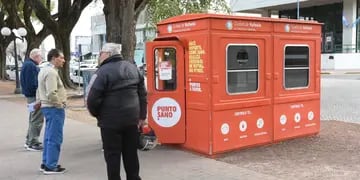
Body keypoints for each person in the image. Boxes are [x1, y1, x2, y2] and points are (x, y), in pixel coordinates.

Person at [87, 43, 147, 180]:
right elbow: (142, 94)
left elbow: (92, 98)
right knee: (131, 154)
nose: (99, 56)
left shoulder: (102, 72)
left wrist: (97, 114)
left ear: (107, 54)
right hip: (132, 120)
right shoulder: (133, 68)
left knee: (112, 155)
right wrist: (142, 116)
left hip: (110, 122)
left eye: (101, 52)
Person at [37, 49, 67, 174]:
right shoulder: (51, 73)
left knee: (49, 137)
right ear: (54, 58)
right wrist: (59, 104)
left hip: (48, 107)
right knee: (55, 137)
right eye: (61, 58)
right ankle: (51, 165)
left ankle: (46, 162)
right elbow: (51, 92)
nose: (63, 61)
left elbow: (40, 90)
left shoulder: (44, 70)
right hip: (54, 108)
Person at [20, 48, 44, 151]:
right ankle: (33, 142)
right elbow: (33, 82)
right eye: (40, 56)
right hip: (34, 96)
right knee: (36, 119)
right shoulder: (31, 66)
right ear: (36, 57)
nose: (41, 58)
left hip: (30, 95)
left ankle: (29, 140)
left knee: (33, 118)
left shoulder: (27, 64)